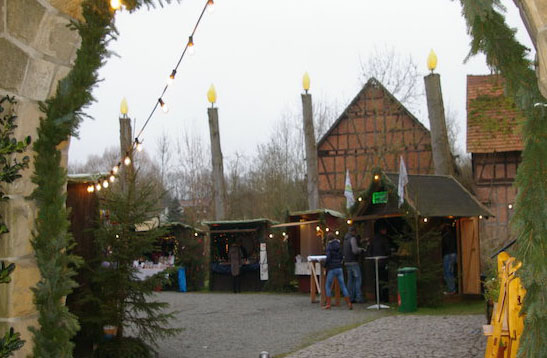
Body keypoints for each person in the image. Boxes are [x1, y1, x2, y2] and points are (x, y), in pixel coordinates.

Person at [324, 233, 352, 310]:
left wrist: (325, 266)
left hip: (332, 268)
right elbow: (342, 255)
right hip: (339, 267)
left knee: (328, 286)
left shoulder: (329, 246)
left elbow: (328, 257)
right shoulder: (339, 245)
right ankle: (349, 303)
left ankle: (328, 304)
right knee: (343, 286)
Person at [367, 223, 391, 302]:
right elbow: (388, 250)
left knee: (376, 281)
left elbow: (369, 250)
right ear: (383, 230)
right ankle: (385, 298)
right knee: (384, 280)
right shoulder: (384, 239)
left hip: (374, 262)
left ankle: (377, 298)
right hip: (383, 262)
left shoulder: (373, 239)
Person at [343, 227, 366, 303]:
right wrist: (361, 249)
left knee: (350, 280)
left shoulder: (345, 239)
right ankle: (358, 297)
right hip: (353, 261)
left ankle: (350, 297)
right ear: (353, 232)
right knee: (358, 279)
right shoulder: (352, 239)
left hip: (347, 262)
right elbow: (355, 250)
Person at [442, 223, 457, 295]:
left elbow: (445, 246)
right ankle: (451, 289)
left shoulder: (446, 236)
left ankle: (451, 290)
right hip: (453, 254)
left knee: (448, 273)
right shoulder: (453, 235)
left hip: (448, 255)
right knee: (450, 272)